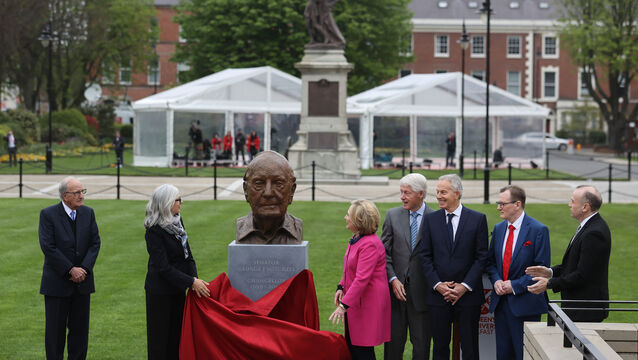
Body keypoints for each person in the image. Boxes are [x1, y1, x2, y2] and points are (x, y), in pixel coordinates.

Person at [418, 174, 488, 360]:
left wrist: (463, 287)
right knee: (440, 347)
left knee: (470, 346)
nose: (439, 196)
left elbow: (481, 257)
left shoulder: (477, 219)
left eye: (443, 192)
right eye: (437, 192)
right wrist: (438, 285)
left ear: (457, 193)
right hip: (438, 295)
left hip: (468, 296)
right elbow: (425, 256)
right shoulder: (431, 220)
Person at [144, 184, 210, 359]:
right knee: (159, 341)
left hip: (178, 289)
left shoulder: (177, 221)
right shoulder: (154, 230)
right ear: (167, 203)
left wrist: (194, 278)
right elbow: (163, 267)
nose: (181, 202)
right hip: (160, 292)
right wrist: (190, 282)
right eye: (177, 199)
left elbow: (187, 255)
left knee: (177, 339)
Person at [527, 185, 611, 322]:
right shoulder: (588, 227)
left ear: (585, 207)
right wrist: (550, 272)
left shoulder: (594, 233)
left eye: (572, 201)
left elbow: (582, 275)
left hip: (585, 310)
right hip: (578, 307)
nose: (569, 205)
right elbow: (573, 265)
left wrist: (549, 284)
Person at [38, 176, 101, 360]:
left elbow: (95, 244)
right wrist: (70, 270)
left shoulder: (88, 213)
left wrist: (84, 269)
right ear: (65, 196)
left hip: (83, 284)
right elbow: (48, 247)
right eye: (77, 193)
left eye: (83, 191)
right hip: (57, 284)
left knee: (80, 333)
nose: (82, 196)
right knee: (55, 334)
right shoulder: (48, 214)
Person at [486, 185, 550, 360]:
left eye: (502, 203)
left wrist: (513, 285)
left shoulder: (538, 230)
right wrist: (497, 280)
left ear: (517, 204)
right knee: (503, 355)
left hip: (525, 305)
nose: (498, 207)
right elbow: (490, 262)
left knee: (523, 355)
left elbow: (540, 270)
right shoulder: (499, 229)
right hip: (501, 304)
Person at [330, 199, 391, 360]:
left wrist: (343, 306)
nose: (345, 217)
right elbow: (349, 270)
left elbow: (362, 279)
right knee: (353, 346)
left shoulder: (369, 244)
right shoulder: (357, 238)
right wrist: (340, 287)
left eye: (348, 215)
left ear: (359, 220)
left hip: (367, 303)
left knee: (362, 349)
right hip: (356, 301)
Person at [382, 173, 433, 360]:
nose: (402, 197)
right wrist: (393, 279)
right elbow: (383, 253)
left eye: (407, 193)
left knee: (421, 347)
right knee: (393, 347)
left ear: (420, 194)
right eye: (401, 192)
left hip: (423, 294)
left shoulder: (435, 218)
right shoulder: (392, 215)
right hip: (395, 294)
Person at [236, 150, 302, 244]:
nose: (268, 193)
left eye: (278, 184)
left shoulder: (297, 228)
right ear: (246, 190)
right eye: (259, 183)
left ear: (291, 190)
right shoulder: (240, 228)